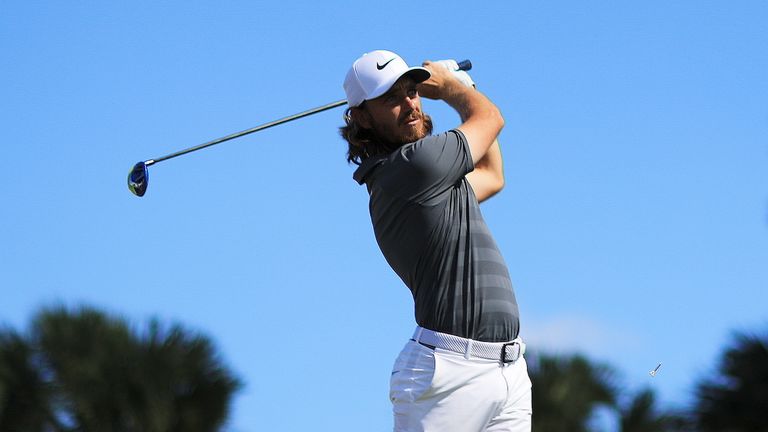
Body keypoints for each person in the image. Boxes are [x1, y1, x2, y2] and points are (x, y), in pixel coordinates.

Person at [340, 50, 532, 432]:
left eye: (412, 91)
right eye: (390, 99)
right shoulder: (412, 167)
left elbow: (492, 175)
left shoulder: (428, 179)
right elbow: (490, 119)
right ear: (361, 117)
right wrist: (448, 88)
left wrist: (464, 87)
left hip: (508, 370)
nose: (409, 105)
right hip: (447, 375)